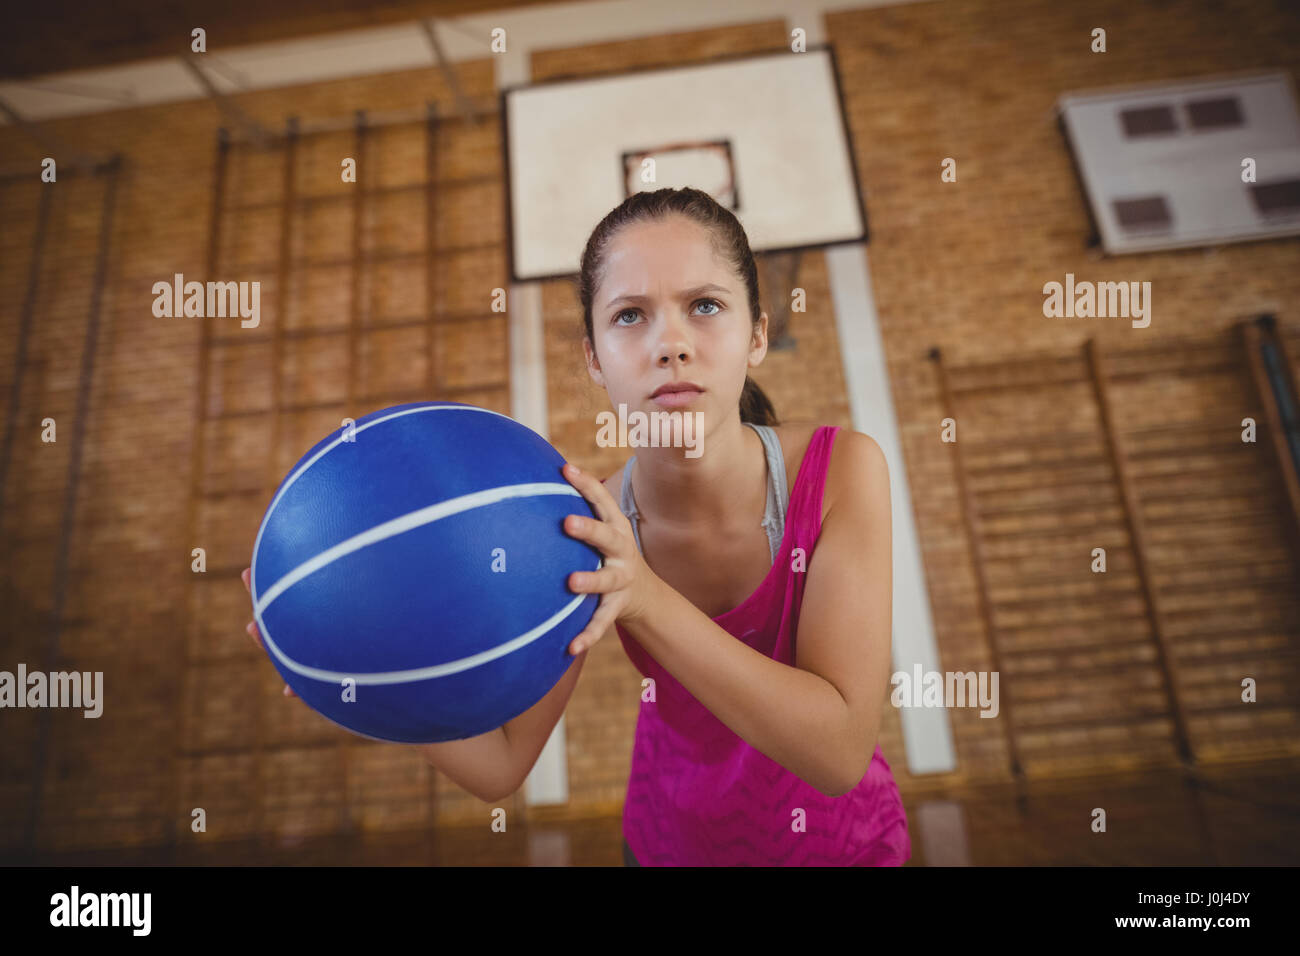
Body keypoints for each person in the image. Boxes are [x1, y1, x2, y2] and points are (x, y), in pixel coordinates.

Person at [561, 186, 910, 866]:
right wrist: (357, 665)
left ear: (756, 334)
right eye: (630, 315)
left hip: (841, 849)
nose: (671, 344)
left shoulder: (842, 471)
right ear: (595, 357)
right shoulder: (586, 519)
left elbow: (838, 752)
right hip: (664, 843)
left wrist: (645, 597)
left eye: (706, 306)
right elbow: (502, 763)